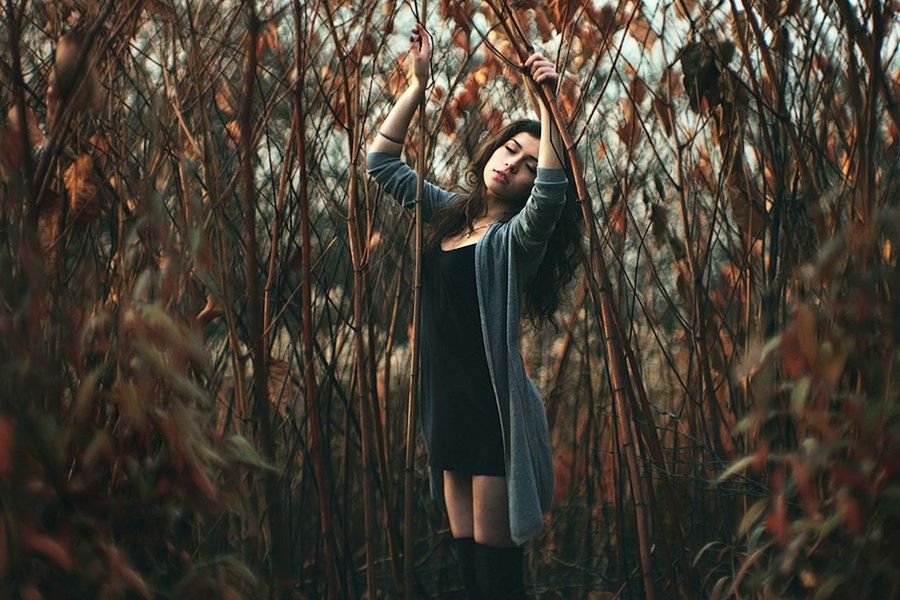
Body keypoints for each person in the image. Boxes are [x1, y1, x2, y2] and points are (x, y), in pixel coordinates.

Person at [366, 22, 582, 599]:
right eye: (511, 148)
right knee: (468, 574)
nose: (511, 163)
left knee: (497, 581)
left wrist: (547, 104)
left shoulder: (516, 242)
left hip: (493, 419)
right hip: (447, 412)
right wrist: (416, 85)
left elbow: (553, 196)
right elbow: (381, 163)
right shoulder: (452, 214)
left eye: (528, 164)